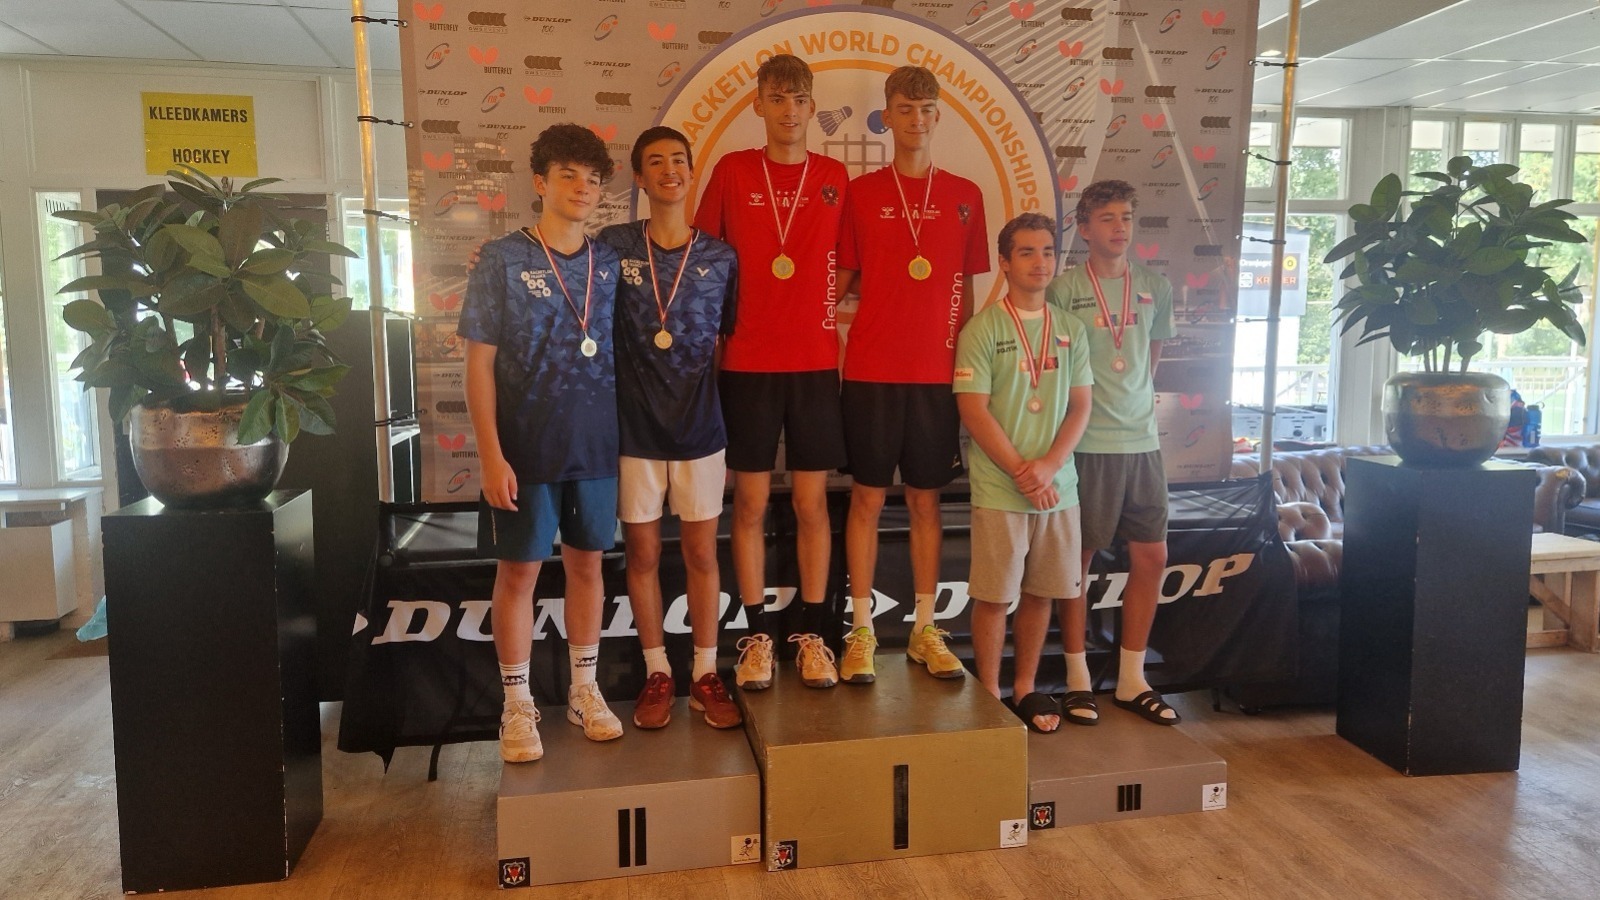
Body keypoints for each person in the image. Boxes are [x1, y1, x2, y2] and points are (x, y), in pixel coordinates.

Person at [460, 123, 623, 763]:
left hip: (596, 446)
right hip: (525, 448)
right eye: (568, 176)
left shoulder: (611, 262)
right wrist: (491, 454)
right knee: (520, 572)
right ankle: (517, 702)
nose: (582, 188)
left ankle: (584, 690)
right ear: (540, 183)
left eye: (593, 179)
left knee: (588, 567)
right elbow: (478, 365)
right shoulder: (502, 259)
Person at [693, 54, 850, 690]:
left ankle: (813, 635)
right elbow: (701, 259)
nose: (790, 111)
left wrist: (817, 304)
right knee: (752, 501)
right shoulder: (733, 171)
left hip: (814, 363)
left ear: (813, 108)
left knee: (812, 502)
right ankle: (757, 634)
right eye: (778, 99)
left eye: (800, 99)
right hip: (747, 361)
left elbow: (849, 262)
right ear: (757, 105)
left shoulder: (834, 176)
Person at [834, 65, 989, 683]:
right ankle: (861, 631)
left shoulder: (966, 195)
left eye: (926, 109)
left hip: (936, 375)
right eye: (905, 108)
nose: (916, 119)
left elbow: (966, 292)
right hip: (871, 370)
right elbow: (841, 280)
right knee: (867, 499)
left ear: (938, 115)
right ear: (888, 116)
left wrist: (965, 367)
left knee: (927, 501)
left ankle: (926, 630)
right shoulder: (860, 193)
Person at [597, 127, 742, 730]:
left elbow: (724, 342)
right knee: (644, 553)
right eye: (654, 162)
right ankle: (657, 671)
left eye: (678, 160)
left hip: (700, 430)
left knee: (703, 553)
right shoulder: (613, 246)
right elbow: (567, 276)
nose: (668, 171)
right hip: (634, 431)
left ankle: (706, 672)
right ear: (639, 177)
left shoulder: (721, 257)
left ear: (691, 170)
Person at [1047, 179, 1181, 726]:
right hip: (1088, 445)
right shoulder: (1062, 290)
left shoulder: (1154, 285)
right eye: (1106, 218)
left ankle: (1131, 679)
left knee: (1152, 557)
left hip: (1143, 443)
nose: (1119, 227)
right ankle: (1077, 678)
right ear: (1084, 228)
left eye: (1126, 216)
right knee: (1075, 563)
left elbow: (1151, 358)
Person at [953, 214, 1092, 733]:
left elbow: (1081, 406)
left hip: (1059, 489)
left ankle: (1025, 688)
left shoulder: (1071, 329)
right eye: (1027, 252)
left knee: (1040, 593)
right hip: (1001, 488)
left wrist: (1049, 467)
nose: (1040, 262)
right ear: (1005, 263)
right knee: (995, 596)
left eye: (1048, 251)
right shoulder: (983, 328)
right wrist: (1022, 472)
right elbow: (973, 411)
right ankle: (990, 694)